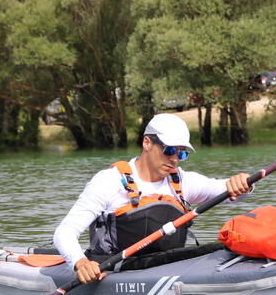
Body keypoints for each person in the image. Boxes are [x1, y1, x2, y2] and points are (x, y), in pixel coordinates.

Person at [54, 113, 252, 284]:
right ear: (147, 143)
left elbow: (229, 192)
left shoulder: (182, 181)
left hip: (166, 269)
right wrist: (80, 263)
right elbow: (65, 232)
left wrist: (245, 183)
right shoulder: (109, 181)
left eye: (181, 154)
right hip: (114, 272)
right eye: (169, 150)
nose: (174, 159)